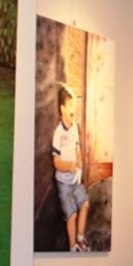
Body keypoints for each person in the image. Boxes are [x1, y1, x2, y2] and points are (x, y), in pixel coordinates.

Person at [52, 84, 91, 252]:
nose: (73, 109)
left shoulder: (75, 128)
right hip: (64, 183)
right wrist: (69, 166)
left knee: (85, 204)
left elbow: (77, 148)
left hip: (75, 180)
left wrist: (79, 162)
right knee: (72, 214)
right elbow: (56, 162)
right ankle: (72, 246)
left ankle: (80, 238)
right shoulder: (58, 134)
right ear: (62, 109)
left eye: (74, 105)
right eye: (70, 105)